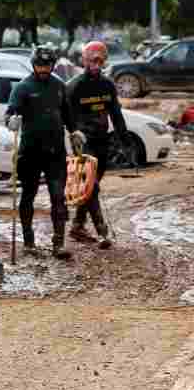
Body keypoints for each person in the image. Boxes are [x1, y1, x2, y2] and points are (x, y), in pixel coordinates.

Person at [5, 45, 80, 260]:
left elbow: (68, 114)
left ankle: (59, 243)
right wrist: (12, 120)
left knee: (58, 197)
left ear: (53, 65)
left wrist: (74, 131)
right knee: (28, 195)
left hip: (55, 152)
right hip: (30, 152)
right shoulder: (23, 87)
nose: (43, 69)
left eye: (47, 65)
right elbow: (10, 112)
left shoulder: (59, 86)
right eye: (40, 65)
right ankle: (28, 242)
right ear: (33, 65)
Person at [66, 40, 127, 249]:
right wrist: (71, 135)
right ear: (84, 60)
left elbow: (116, 114)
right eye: (92, 60)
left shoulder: (107, 84)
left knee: (90, 187)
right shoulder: (74, 86)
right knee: (92, 186)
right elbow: (65, 117)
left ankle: (77, 225)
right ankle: (102, 231)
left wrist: (124, 139)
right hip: (82, 142)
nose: (96, 64)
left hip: (102, 140)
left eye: (101, 60)